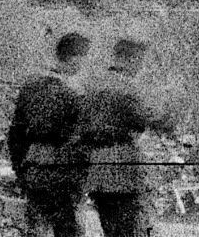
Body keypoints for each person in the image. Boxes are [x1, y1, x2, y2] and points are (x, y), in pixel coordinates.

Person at [78, 38, 178, 237]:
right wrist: (173, 108)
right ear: (132, 60)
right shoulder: (128, 88)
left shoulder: (91, 86)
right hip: (122, 170)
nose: (140, 68)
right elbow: (156, 120)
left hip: (96, 169)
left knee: (110, 227)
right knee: (133, 228)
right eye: (140, 62)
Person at [9, 32, 93, 237]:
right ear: (76, 59)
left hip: (32, 168)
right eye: (84, 60)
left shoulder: (29, 88)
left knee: (36, 228)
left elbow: (15, 136)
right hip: (61, 174)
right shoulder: (73, 95)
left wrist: (21, 172)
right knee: (69, 230)